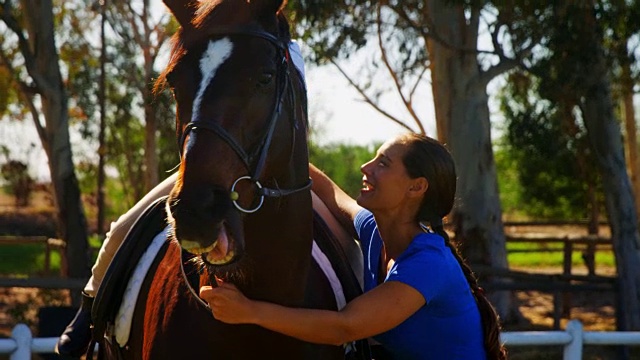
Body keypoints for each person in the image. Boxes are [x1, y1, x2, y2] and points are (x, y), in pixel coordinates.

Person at [55, 40, 310, 357]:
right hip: (212, 163)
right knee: (123, 226)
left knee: (349, 244)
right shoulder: (215, 41)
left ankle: (364, 332)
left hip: (278, 173)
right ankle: (90, 309)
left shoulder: (287, 50)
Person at [200, 133, 507, 360]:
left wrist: (249, 311)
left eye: (383, 163)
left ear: (417, 187)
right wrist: (271, 145)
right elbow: (328, 190)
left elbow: (344, 327)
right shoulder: (375, 232)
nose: (366, 166)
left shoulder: (428, 264)